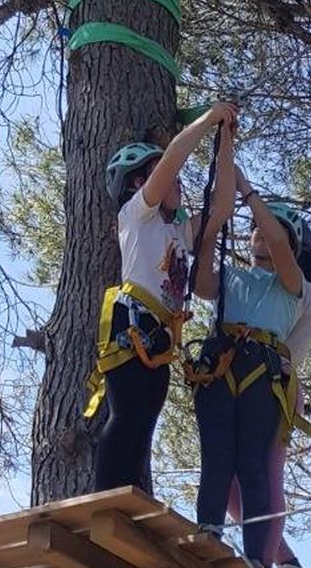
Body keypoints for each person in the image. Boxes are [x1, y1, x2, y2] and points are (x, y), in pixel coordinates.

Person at [189, 153, 311, 568]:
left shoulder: (295, 286)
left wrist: (248, 193)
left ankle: (257, 556)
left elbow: (283, 250)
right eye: (254, 230)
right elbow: (201, 283)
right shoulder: (233, 277)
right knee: (217, 457)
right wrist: (213, 227)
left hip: (262, 373)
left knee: (252, 464)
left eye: (270, 232)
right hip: (223, 363)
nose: (259, 234)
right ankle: (208, 530)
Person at [86, 102, 238, 495]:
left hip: (159, 336)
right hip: (132, 325)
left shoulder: (178, 232)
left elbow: (221, 207)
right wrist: (207, 120)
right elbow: (172, 162)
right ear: (140, 182)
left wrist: (225, 141)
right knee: (127, 415)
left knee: (144, 423)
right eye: (167, 178)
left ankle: (128, 497)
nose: (178, 183)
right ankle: (106, 497)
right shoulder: (136, 215)